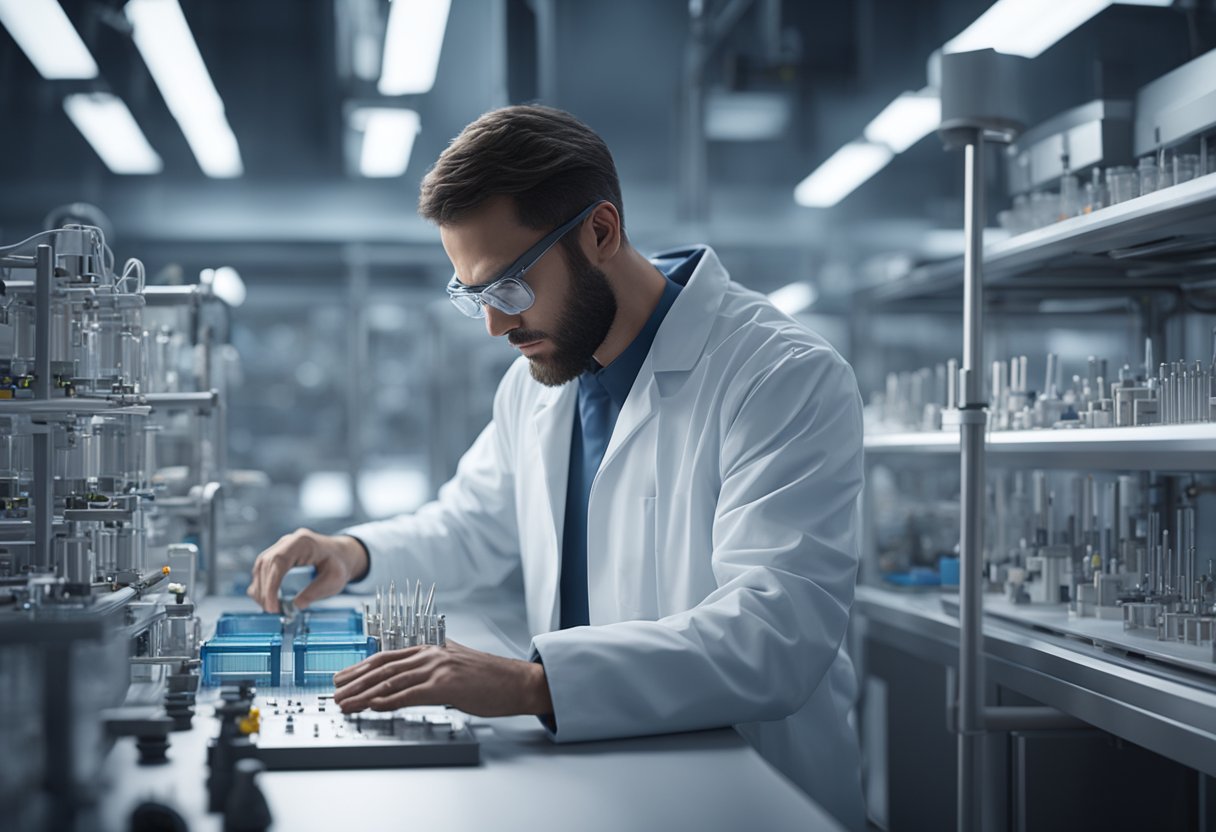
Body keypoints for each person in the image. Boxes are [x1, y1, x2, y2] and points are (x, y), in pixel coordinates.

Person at [247, 105, 866, 831]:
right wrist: (351, 552)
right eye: (473, 295)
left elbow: (773, 634)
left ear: (600, 232)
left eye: (507, 287)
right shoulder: (539, 380)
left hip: (751, 794)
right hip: (595, 781)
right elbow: (474, 523)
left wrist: (530, 683)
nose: (494, 326)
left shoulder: (780, 375)